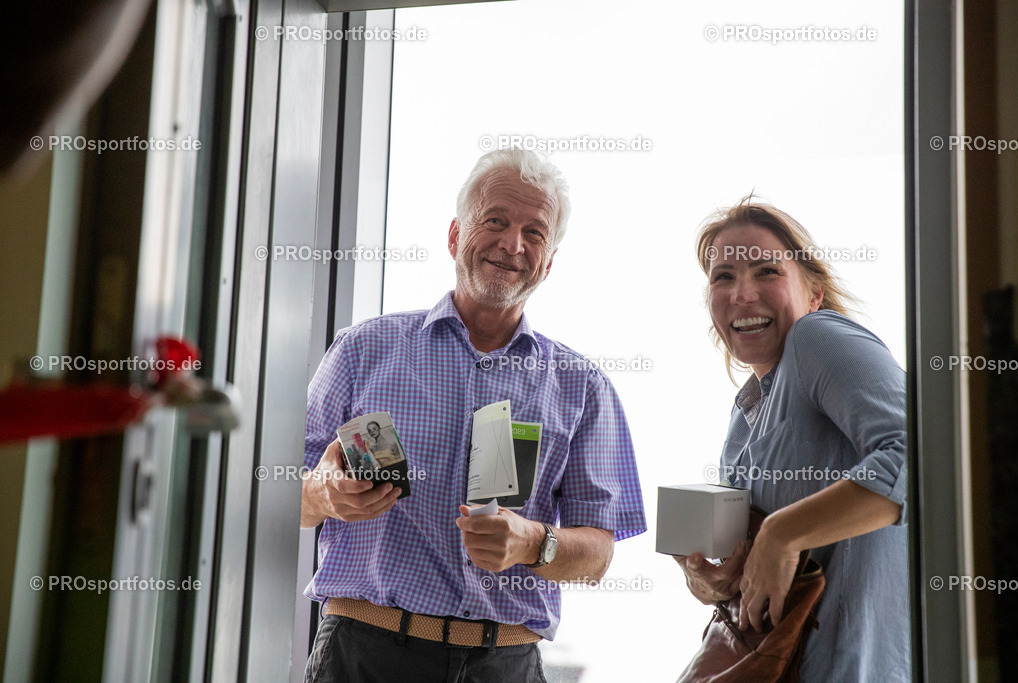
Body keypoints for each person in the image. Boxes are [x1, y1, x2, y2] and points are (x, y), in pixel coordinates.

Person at [301, 149, 646, 682]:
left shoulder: (583, 387)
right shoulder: (362, 351)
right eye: (496, 221)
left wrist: (533, 542)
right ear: (454, 235)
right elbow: (278, 498)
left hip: (505, 666)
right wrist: (324, 493)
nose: (514, 244)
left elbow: (598, 554)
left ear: (549, 260)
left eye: (536, 232)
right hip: (362, 655)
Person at [677, 200, 910, 681]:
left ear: (814, 294)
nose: (742, 294)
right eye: (723, 276)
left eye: (766, 271)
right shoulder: (743, 418)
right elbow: (759, 572)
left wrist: (782, 533)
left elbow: (920, 455)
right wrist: (714, 581)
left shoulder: (815, 338)